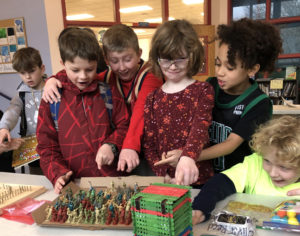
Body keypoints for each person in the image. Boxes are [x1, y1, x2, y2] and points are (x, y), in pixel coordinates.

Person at [155, 18, 282, 173]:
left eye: (229, 67)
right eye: (217, 63)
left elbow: (230, 144)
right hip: (205, 174)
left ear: (252, 69)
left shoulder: (258, 103)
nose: (220, 72)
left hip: (237, 178)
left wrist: (188, 155)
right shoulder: (209, 86)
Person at [42, 24, 163, 174]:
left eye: (127, 59)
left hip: (150, 152)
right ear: (106, 60)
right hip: (123, 153)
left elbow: (140, 115)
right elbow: (80, 79)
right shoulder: (106, 78)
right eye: (115, 61)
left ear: (139, 54)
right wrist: (52, 79)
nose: (122, 67)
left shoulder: (151, 77)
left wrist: (129, 146)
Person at [36, 27, 129, 194]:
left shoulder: (107, 92)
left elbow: (125, 125)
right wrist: (57, 174)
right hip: (74, 185)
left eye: (90, 69)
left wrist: (111, 145)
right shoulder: (52, 99)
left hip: (112, 182)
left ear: (98, 64)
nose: (83, 76)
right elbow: (46, 146)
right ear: (63, 64)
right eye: (75, 70)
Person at [143, 19, 215, 186]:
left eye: (180, 59)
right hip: (167, 180)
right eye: (166, 60)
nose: (173, 67)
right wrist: (162, 174)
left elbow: (200, 129)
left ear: (192, 56)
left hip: (198, 178)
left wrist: (187, 156)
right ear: (157, 59)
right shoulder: (152, 98)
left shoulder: (203, 90)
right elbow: (149, 144)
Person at [192, 115, 300, 225]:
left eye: (284, 167)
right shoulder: (254, 164)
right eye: (267, 161)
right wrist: (201, 208)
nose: (272, 173)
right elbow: (219, 183)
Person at [0, 47, 46, 174]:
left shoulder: (52, 88)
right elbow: (12, 111)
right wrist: (4, 127)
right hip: (33, 151)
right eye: (22, 73)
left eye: (31, 71)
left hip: (55, 148)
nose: (27, 77)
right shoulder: (21, 94)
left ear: (42, 69)